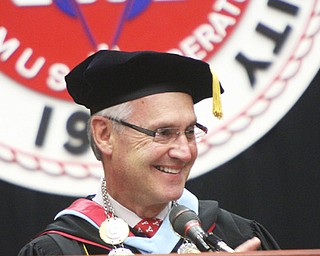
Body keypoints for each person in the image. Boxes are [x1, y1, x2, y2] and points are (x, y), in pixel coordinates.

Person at [18, 50, 279, 255]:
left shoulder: (236, 237)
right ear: (104, 135)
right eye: (163, 133)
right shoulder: (60, 250)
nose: (184, 152)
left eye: (189, 131)